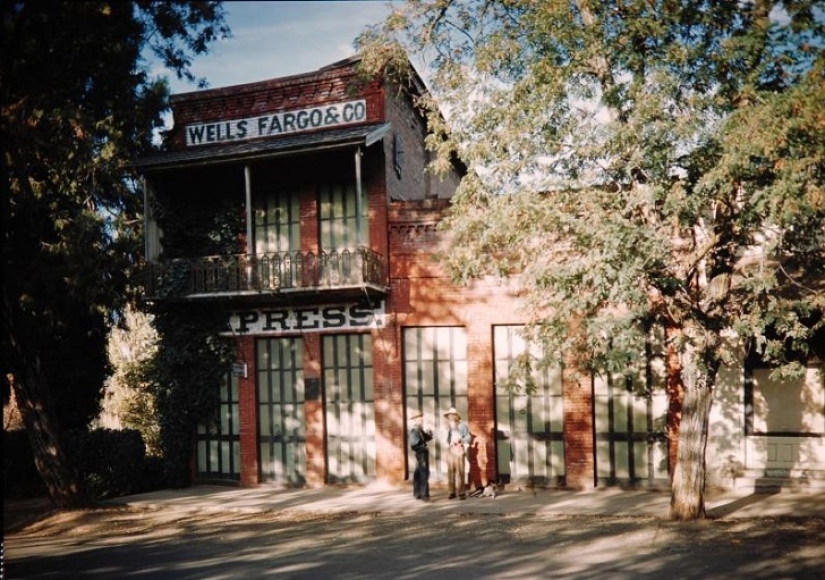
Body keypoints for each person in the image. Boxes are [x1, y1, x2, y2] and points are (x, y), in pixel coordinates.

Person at [444, 407, 471, 499]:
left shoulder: (462, 425)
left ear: (456, 416)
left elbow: (469, 437)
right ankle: (452, 492)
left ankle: (461, 492)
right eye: (449, 416)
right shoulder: (449, 427)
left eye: (451, 415)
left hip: (459, 449)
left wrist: (461, 440)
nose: (450, 417)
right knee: (450, 472)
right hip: (451, 450)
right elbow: (447, 440)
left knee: (460, 471)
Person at [408, 410, 433, 501]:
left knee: (418, 473)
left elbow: (427, 437)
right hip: (421, 454)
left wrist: (430, 429)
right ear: (415, 420)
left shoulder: (419, 429)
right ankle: (424, 495)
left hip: (422, 454)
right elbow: (414, 445)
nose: (421, 420)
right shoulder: (414, 431)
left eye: (421, 418)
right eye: (419, 419)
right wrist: (423, 448)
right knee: (424, 474)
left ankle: (417, 493)